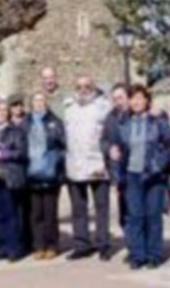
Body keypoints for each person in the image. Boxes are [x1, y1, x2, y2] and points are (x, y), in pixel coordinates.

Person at [108, 84, 170, 270]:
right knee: (134, 216)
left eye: (140, 98)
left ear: (147, 100)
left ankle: (154, 255)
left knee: (153, 216)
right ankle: (138, 255)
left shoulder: (157, 120)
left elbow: (169, 143)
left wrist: (159, 166)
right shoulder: (123, 122)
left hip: (154, 176)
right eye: (133, 98)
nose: (136, 102)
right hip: (131, 176)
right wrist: (116, 172)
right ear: (129, 101)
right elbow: (117, 149)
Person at [63, 76, 113, 261]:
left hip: (97, 164)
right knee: (78, 208)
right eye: (79, 86)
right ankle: (81, 244)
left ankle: (103, 244)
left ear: (93, 88)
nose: (83, 89)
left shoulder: (103, 107)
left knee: (101, 207)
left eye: (87, 86)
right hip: (74, 164)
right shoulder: (68, 108)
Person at [0, 101, 28, 262]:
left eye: (4, 110)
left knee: (11, 213)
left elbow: (22, 152)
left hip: (8, 176)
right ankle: (2, 246)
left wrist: (4, 154)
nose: (1, 113)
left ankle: (14, 247)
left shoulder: (16, 130)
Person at [24, 92, 66, 261]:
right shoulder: (25, 123)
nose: (39, 103)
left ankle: (52, 245)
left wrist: (56, 160)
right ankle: (38, 245)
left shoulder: (55, 122)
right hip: (32, 173)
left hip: (50, 173)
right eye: (36, 100)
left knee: (50, 212)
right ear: (31, 103)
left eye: (41, 100)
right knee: (36, 214)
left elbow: (63, 145)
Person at [100, 84, 130, 231]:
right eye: (115, 99)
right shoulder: (110, 117)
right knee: (124, 211)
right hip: (119, 171)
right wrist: (109, 149)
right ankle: (133, 247)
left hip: (137, 169)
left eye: (121, 98)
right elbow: (103, 140)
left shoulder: (137, 115)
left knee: (139, 212)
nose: (118, 102)